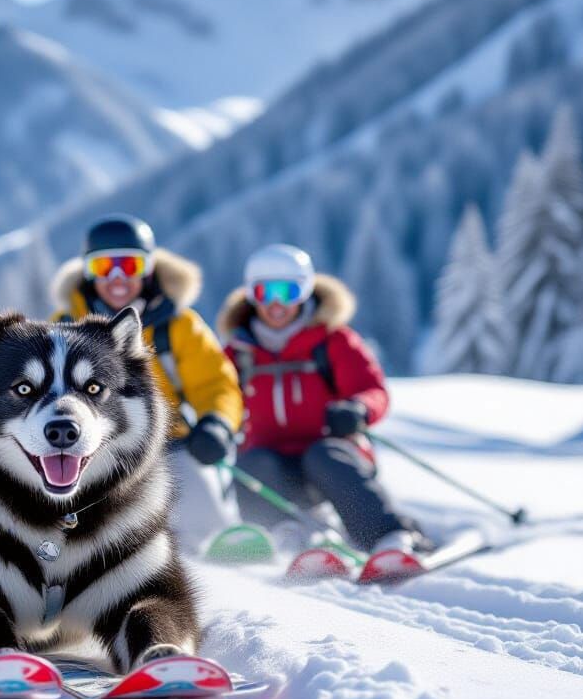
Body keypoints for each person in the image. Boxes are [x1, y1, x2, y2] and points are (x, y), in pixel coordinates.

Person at [217, 243, 428, 554]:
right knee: (251, 463)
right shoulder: (239, 354)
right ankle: (285, 536)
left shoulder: (332, 341)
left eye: (287, 292)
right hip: (275, 466)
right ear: (251, 295)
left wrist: (358, 409)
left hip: (333, 458)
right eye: (265, 293)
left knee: (324, 455)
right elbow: (218, 396)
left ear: (304, 292)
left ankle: (391, 538)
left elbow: (374, 390)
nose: (276, 304)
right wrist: (212, 424)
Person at [51, 214, 243, 547]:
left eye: (129, 265)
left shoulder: (177, 325)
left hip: (172, 445)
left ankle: (224, 563)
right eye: (102, 267)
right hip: (94, 449)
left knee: (206, 529)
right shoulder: (66, 326)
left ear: (148, 268)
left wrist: (217, 423)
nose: (117, 278)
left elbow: (216, 383)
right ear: (87, 272)